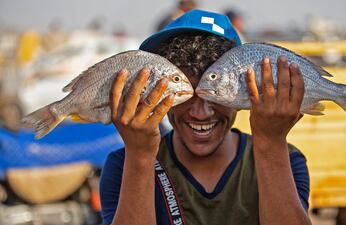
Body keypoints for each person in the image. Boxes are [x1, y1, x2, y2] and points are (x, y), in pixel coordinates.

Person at [100, 9, 311, 225]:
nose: (201, 113)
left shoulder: (286, 160)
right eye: (185, 94)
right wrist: (140, 157)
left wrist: (271, 144)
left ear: (248, 93)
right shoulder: (124, 164)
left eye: (217, 94)